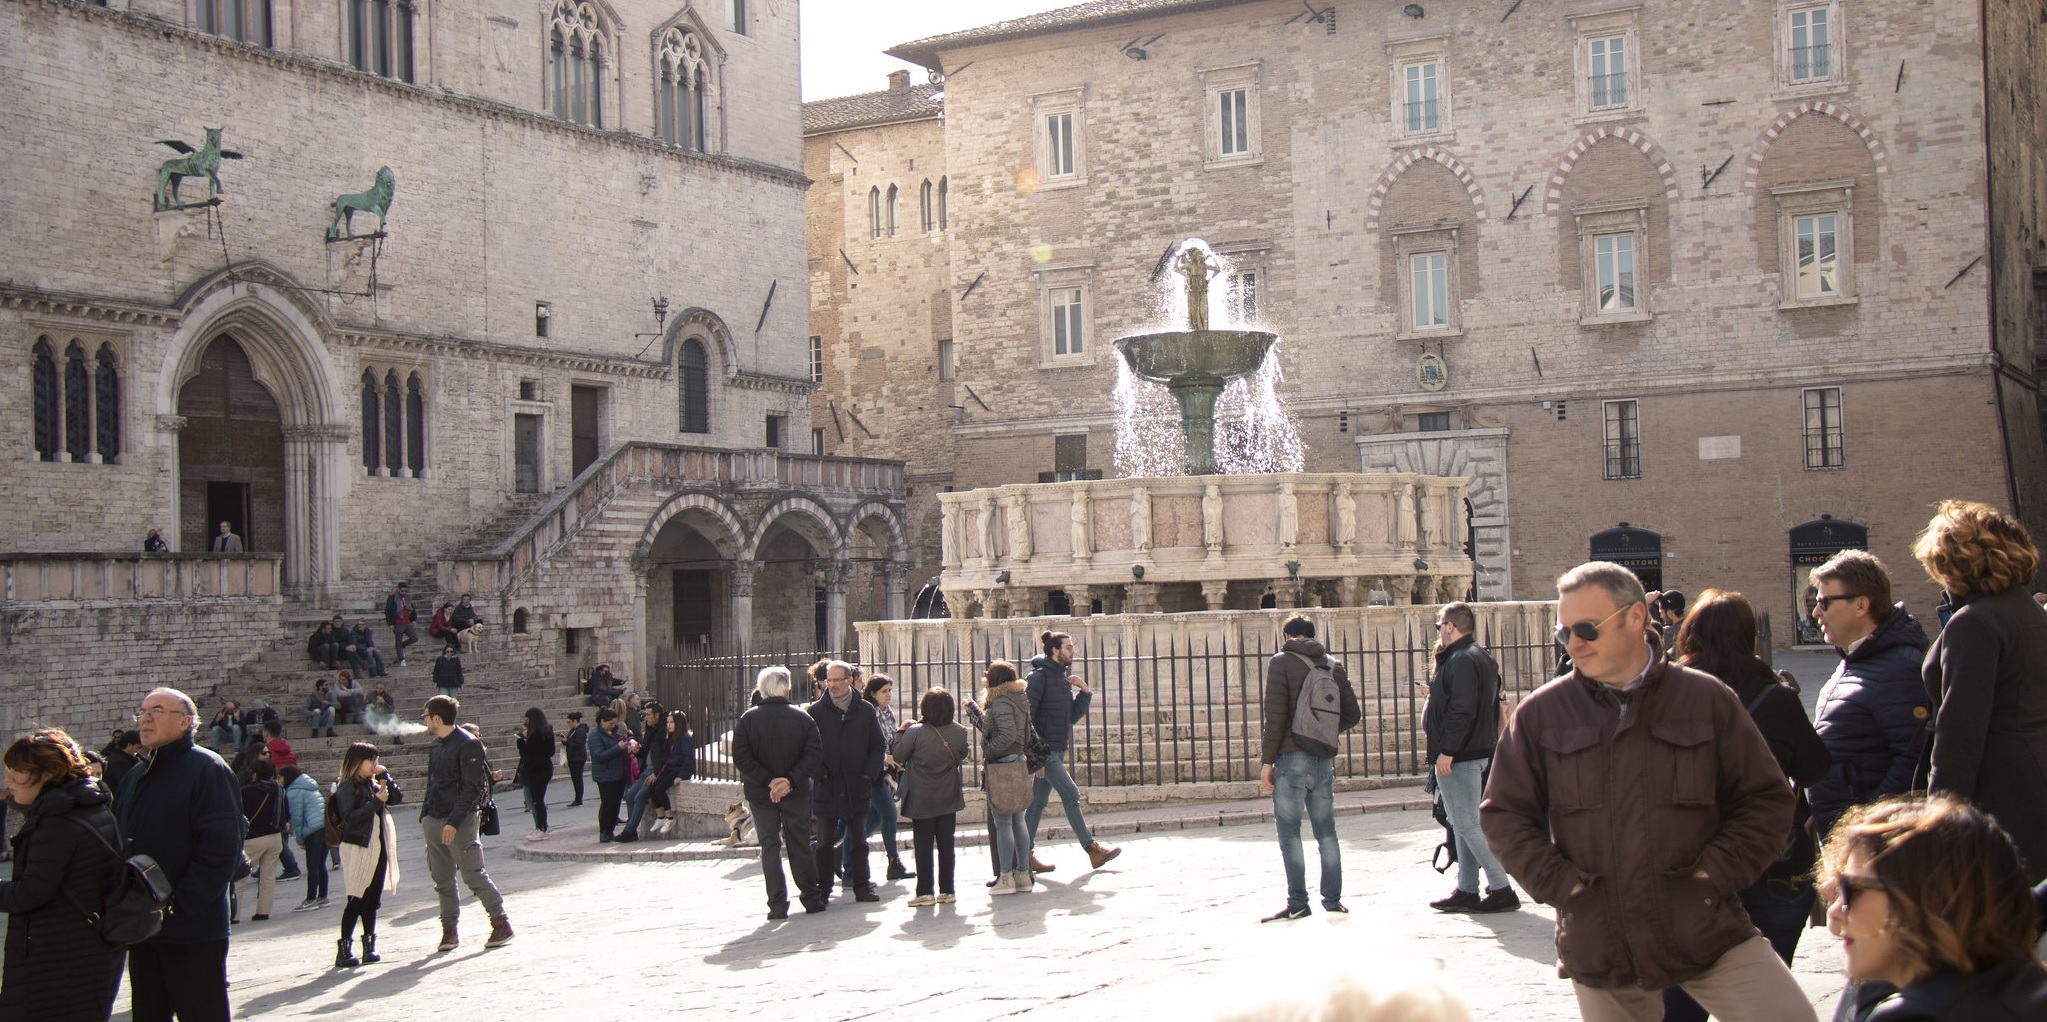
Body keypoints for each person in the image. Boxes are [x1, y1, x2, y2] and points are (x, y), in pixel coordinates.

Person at [1478, 562, 1810, 1022]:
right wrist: (1563, 886)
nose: (1573, 644)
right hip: (1600, 941)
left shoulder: (1706, 699)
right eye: (1564, 633)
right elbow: (1503, 815)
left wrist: (1714, 872)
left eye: (1586, 629)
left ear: (1636, 618)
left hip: (1705, 928)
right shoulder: (1541, 715)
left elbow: (1767, 799)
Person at [1661, 590, 1834, 1022]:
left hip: (1691, 862)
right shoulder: (1775, 697)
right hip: (1770, 859)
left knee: (1684, 996)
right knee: (1765, 998)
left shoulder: (1664, 695)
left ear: (1690, 634)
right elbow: (1815, 769)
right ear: (1749, 638)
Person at [1911, 499, 2047, 885]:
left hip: (2002, 794)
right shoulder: (2024, 609)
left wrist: (1936, 824)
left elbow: (1960, 737)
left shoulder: (1976, 622)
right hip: (2033, 779)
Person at [1822, 795, 2047, 1020]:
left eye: (1852, 889)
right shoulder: (2024, 981)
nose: (1835, 911)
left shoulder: (1914, 1015)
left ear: (1927, 898)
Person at [116, 687, 243, 1022]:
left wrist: (178, 904)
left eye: (156, 710)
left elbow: (221, 850)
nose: (145, 718)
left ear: (186, 722)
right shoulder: (134, 775)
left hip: (192, 926)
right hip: (144, 926)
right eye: (141, 711)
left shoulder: (207, 769)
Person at [0, 728, 126, 1021]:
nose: (8, 779)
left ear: (46, 774)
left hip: (59, 958)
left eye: (17, 772)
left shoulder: (57, 823)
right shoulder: (91, 806)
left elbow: (30, 893)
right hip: (87, 950)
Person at [1807, 550, 1932, 837]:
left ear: (1861, 604)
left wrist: (1866, 830)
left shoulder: (1899, 668)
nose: (1816, 613)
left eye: (1824, 602)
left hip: (1872, 848)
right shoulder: (1855, 660)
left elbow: (1912, 762)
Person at [1259, 614, 1363, 922]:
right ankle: (1332, 900)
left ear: (1288, 636)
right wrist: (1324, 730)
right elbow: (1352, 714)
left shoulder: (1281, 661)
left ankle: (1298, 902)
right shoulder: (1333, 665)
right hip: (1323, 757)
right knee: (1326, 832)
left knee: (1290, 834)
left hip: (1291, 758)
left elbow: (1274, 718)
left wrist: (1268, 762)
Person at [1420, 603, 1514, 915]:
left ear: (1450, 626)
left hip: (1460, 754)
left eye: (1439, 626)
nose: (1439, 631)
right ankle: (1467, 889)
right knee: (1462, 823)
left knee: (1466, 823)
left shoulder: (1461, 659)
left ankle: (1501, 888)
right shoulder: (1478, 655)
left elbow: (1463, 710)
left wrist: (1447, 750)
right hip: (1474, 749)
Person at [731, 664, 826, 919]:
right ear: (787, 690)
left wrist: (768, 781)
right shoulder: (803, 718)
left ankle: (777, 903)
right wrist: (788, 781)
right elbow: (813, 754)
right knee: (799, 842)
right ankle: (811, 896)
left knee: (769, 845)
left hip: (761, 794)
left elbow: (741, 757)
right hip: (794, 792)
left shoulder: (747, 720)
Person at [418, 695, 512, 951]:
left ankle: (500, 922)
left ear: (436, 718)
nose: (424, 721)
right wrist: (425, 813)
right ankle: (449, 930)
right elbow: (433, 782)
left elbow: (470, 789)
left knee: (473, 873)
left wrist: (453, 822)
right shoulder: (436, 745)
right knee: (442, 878)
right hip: (434, 818)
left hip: (459, 821)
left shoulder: (469, 744)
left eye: (426, 716)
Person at [1024, 631, 1121, 873]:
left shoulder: (1061, 679)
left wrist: (1085, 692)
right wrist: (1035, 757)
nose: (1072, 651)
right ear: (1054, 650)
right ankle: (1092, 849)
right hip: (1045, 750)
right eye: (1068, 647)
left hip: (1057, 746)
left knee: (1037, 802)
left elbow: (1070, 718)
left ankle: (1023, 854)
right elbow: (1027, 718)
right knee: (1071, 794)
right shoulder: (1038, 679)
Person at [810, 660, 885, 902]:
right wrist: (819, 773)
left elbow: (878, 745)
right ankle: (823, 888)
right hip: (827, 784)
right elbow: (807, 750)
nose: (832, 685)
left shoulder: (864, 710)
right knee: (824, 842)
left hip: (856, 783)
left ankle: (861, 885)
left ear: (849, 680)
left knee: (858, 840)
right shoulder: (815, 713)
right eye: (828, 681)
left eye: (837, 680)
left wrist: (867, 774)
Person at [892, 688, 969, 907]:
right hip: (948, 794)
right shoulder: (960, 731)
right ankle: (947, 890)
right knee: (947, 845)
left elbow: (898, 755)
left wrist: (900, 732)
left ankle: (925, 891)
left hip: (921, 795)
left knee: (923, 845)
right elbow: (962, 754)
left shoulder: (916, 732)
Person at [331, 743, 401, 969]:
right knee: (356, 897)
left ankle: (369, 946)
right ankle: (344, 950)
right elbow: (350, 817)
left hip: (377, 847)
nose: (374, 764)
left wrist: (385, 777)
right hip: (357, 847)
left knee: (372, 899)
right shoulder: (347, 786)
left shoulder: (372, 784)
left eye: (376, 759)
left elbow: (397, 798)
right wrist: (375, 802)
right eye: (370, 760)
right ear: (356, 762)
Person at [983, 660, 1037, 896]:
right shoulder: (1019, 699)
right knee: (1018, 820)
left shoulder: (1001, 701)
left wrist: (989, 750)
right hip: (1017, 761)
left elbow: (1006, 734)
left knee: (1003, 822)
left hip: (1003, 763)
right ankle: (1023, 874)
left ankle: (1006, 876)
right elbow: (1024, 734)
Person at [863, 674, 915, 881]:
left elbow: (891, 738)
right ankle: (894, 862)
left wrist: (902, 732)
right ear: (873, 694)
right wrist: (886, 758)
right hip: (874, 771)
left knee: (875, 818)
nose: (889, 695)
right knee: (889, 814)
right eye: (884, 691)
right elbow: (871, 744)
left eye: (890, 690)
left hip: (885, 772)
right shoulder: (869, 713)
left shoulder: (887, 712)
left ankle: (841, 850)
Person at [238, 758, 286, 922]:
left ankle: (234, 914)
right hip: (275, 837)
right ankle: (263, 912)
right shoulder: (279, 790)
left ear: (255, 774)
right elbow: (287, 813)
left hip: (253, 838)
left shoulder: (246, 792)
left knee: (239, 877)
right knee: (268, 876)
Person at [618, 701, 670, 843]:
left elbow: (667, 756)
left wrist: (657, 773)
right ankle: (632, 829)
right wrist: (638, 750)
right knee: (629, 796)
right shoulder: (650, 728)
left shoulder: (664, 730)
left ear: (657, 715)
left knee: (639, 797)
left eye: (648, 714)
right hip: (646, 769)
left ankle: (629, 830)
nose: (645, 717)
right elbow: (645, 751)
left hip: (656, 771)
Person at [281, 765, 329, 912]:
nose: (278, 780)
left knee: (312, 864)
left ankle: (310, 899)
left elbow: (297, 817)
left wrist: (300, 840)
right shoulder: (310, 786)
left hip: (312, 829)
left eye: (279, 777)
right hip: (324, 826)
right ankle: (323, 897)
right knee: (321, 863)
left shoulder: (294, 791)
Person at [589, 707, 635, 842]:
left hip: (618, 774)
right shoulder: (595, 736)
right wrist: (617, 748)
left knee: (615, 803)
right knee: (607, 803)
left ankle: (610, 830)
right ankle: (604, 830)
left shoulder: (613, 733)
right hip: (605, 776)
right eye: (610, 723)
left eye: (614, 723)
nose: (613, 726)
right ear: (602, 721)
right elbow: (599, 756)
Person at [648, 709, 696, 837]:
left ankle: (669, 817)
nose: (668, 725)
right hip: (669, 767)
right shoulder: (672, 738)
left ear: (679, 723)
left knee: (660, 789)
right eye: (668, 722)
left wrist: (681, 775)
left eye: (671, 722)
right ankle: (660, 815)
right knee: (652, 788)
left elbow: (688, 758)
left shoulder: (686, 738)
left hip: (677, 770)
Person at [516, 708, 555, 842]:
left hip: (536, 771)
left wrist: (522, 744)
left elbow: (529, 756)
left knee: (537, 801)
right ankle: (542, 827)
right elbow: (551, 751)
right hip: (546, 768)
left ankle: (541, 829)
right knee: (539, 800)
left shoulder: (535, 735)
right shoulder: (548, 731)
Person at [383, 582, 419, 667]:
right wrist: (390, 623)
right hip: (398, 623)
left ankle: (402, 646)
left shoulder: (407, 598)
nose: (404, 593)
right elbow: (388, 611)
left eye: (406, 591)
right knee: (398, 641)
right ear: (398, 589)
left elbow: (412, 609)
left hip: (407, 622)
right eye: (402, 591)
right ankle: (401, 659)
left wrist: (413, 619)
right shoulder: (392, 598)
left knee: (414, 637)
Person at [562, 711, 588, 806]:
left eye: (569, 722)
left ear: (575, 721)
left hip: (578, 758)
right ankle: (577, 798)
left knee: (578, 779)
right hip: (572, 757)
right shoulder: (573, 730)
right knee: (575, 779)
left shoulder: (580, 731)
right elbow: (571, 742)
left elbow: (578, 744)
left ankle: (578, 799)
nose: (568, 724)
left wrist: (567, 742)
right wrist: (565, 741)